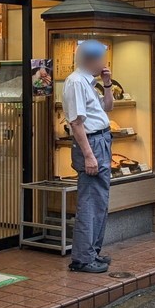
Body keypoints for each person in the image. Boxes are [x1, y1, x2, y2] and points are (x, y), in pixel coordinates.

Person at [63, 39, 114, 273]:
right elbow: (76, 122)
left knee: (99, 199)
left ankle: (92, 252)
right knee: (90, 201)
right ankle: (83, 259)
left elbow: (107, 108)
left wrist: (107, 84)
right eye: (101, 59)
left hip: (100, 140)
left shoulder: (88, 82)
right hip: (92, 143)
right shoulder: (76, 82)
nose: (103, 64)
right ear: (90, 60)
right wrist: (89, 156)